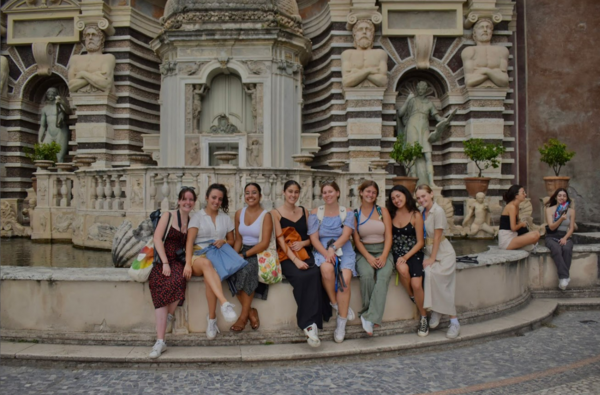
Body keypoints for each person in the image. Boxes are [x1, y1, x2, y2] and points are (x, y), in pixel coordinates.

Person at [271, 180, 331, 347]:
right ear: (284, 192)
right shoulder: (275, 213)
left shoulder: (305, 211)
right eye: (290, 191)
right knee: (301, 277)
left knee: (314, 273)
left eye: (296, 192)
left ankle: (311, 324)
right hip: (286, 256)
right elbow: (280, 240)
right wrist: (295, 260)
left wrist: (302, 245)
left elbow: (311, 237)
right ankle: (308, 324)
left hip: (305, 252)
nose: (293, 195)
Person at [184, 184, 239, 340]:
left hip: (217, 256)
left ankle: (212, 319)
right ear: (207, 197)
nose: (216, 201)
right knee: (207, 265)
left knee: (211, 276)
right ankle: (225, 303)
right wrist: (188, 263)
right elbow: (189, 241)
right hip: (198, 257)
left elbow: (231, 240)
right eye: (214, 197)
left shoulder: (225, 218)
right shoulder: (197, 217)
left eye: (220, 199)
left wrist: (223, 241)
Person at [148, 187, 196, 358]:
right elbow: (157, 238)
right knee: (159, 283)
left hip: (178, 261)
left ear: (194, 202)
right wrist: (165, 263)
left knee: (179, 281)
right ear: (179, 201)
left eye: (190, 200)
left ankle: (168, 316)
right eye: (184, 199)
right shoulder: (168, 215)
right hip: (162, 259)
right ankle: (160, 341)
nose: (187, 202)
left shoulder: (191, 221)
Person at [308, 181, 356, 343]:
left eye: (330, 192)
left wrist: (333, 249)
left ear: (337, 193)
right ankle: (335, 303)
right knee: (327, 270)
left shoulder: (347, 212)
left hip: (343, 248)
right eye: (324, 192)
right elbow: (314, 239)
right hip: (323, 249)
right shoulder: (316, 213)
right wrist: (326, 252)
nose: (327, 195)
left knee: (345, 280)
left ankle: (341, 324)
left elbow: (346, 235)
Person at [415, 185, 460, 339]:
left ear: (431, 194)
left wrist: (432, 259)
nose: (421, 200)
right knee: (428, 273)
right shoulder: (421, 212)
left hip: (443, 253)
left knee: (441, 281)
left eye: (424, 196)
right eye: (419, 198)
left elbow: (437, 237)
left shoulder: (438, 211)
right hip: (430, 251)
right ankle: (435, 310)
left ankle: (454, 321)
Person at [352, 181, 394, 336]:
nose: (370, 195)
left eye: (373, 192)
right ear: (361, 192)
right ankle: (368, 314)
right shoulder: (355, 213)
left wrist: (384, 255)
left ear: (377, 195)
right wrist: (369, 257)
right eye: (367, 191)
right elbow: (356, 240)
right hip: (364, 251)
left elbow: (389, 236)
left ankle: (369, 317)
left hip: (383, 250)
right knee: (367, 275)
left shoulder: (382, 211)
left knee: (383, 276)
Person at [230, 183, 272, 331]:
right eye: (247, 193)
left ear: (260, 195)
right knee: (229, 270)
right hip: (242, 250)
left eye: (254, 192)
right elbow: (238, 240)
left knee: (247, 270)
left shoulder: (265, 215)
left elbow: (264, 243)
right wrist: (235, 256)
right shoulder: (239, 213)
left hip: (257, 252)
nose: (250, 196)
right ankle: (251, 312)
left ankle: (242, 317)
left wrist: (244, 255)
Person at [388, 185, 428, 337]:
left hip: (414, 252)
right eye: (393, 198)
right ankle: (414, 298)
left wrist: (406, 257)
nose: (396, 200)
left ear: (405, 195)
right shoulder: (391, 215)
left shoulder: (415, 215)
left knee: (417, 283)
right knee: (402, 270)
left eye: (398, 196)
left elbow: (420, 242)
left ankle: (424, 317)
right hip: (397, 253)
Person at [461, 18, 509, 88]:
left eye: (488, 27)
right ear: (475, 33)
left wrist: (486, 71)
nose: (485, 30)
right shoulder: (469, 51)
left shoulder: (502, 51)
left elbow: (504, 82)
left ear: (491, 32)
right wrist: (494, 73)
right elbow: (469, 82)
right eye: (481, 27)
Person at [545, 188, 577, 290]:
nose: (561, 197)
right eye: (559, 195)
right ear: (556, 197)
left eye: (564, 195)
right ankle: (564, 277)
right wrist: (561, 219)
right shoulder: (549, 210)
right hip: (551, 236)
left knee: (567, 248)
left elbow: (571, 228)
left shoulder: (571, 211)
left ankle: (563, 278)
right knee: (557, 249)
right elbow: (551, 227)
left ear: (567, 198)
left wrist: (565, 238)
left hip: (565, 235)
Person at [341, 19, 388, 88]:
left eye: (368, 30)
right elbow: (346, 82)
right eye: (360, 29)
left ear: (372, 35)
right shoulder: (347, 54)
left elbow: (383, 82)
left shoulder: (380, 53)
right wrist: (368, 71)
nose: (364, 32)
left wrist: (357, 73)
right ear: (354, 35)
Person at [498, 185, 541, 251]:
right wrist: (522, 224)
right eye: (523, 193)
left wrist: (522, 224)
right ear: (516, 195)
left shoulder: (516, 206)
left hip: (514, 236)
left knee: (537, 233)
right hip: (506, 239)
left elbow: (517, 222)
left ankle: (524, 247)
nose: (525, 194)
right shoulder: (511, 207)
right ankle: (525, 247)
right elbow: (513, 228)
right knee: (534, 236)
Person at [38, 87, 71, 163]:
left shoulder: (60, 105)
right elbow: (42, 126)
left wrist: (61, 102)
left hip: (60, 132)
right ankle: (41, 172)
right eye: (49, 94)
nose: (50, 96)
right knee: (42, 154)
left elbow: (68, 111)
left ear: (56, 95)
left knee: (60, 156)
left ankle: (60, 172)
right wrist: (40, 138)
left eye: (52, 94)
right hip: (49, 133)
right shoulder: (45, 109)